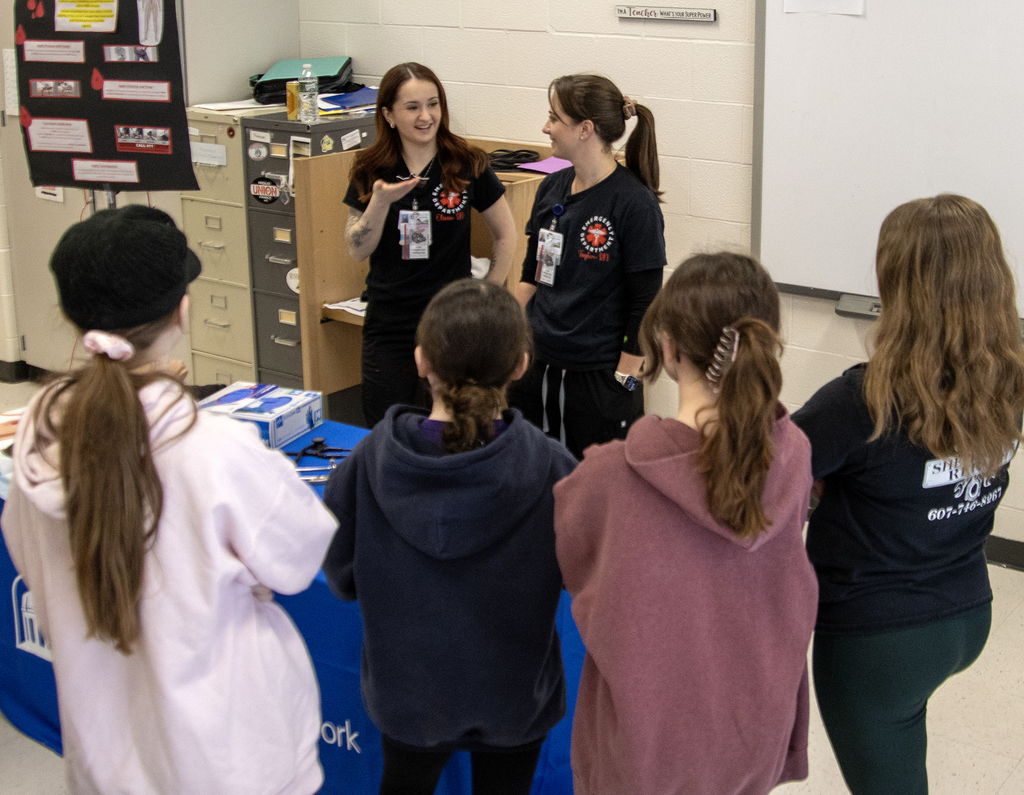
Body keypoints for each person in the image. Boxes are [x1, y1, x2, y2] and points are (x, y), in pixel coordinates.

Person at [0, 205, 339, 795]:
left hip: (106, 758)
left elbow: (29, 556)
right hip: (230, 760)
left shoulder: (37, 437)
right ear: (182, 308)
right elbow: (301, 558)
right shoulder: (214, 450)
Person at [554, 253, 818, 794]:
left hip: (644, 753)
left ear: (669, 349)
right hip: (752, 735)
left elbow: (569, 565)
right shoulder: (792, 452)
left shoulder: (611, 475)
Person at [792, 194, 1024, 795]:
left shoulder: (861, 401)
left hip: (878, 641)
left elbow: (761, 483)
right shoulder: (1008, 381)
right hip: (968, 614)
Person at [321, 279, 577, 795]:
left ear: (420, 361)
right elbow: (582, 577)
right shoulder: (554, 471)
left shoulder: (367, 464)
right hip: (514, 699)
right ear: (521, 366)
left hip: (407, 696)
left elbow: (342, 578)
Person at [344, 62, 517, 428]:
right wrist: (379, 202)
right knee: (388, 428)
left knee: (453, 429)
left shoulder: (467, 163)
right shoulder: (371, 167)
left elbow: (506, 234)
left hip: (452, 325)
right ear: (388, 115)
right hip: (390, 324)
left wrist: (488, 295)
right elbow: (357, 248)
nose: (426, 116)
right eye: (412, 107)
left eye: (433, 104)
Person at [507, 74, 666, 459]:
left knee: (597, 497)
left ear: (585, 129)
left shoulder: (633, 203)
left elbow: (646, 302)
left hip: (598, 380)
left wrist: (623, 379)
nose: (546, 127)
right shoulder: (551, 188)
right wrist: (505, 338)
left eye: (554, 118)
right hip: (538, 366)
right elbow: (531, 275)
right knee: (536, 483)